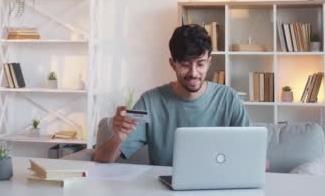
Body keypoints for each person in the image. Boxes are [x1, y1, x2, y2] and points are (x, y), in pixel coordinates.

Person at [94, 24, 249, 166]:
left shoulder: (228, 99)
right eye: (185, 64)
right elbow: (101, 159)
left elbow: (252, 155)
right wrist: (118, 138)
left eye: (200, 64)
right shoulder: (150, 102)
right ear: (172, 63)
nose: (194, 73)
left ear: (209, 62)